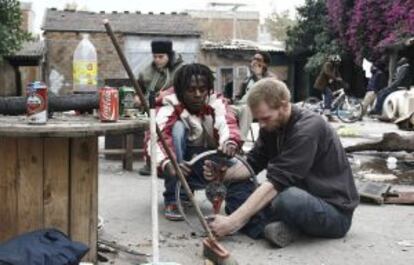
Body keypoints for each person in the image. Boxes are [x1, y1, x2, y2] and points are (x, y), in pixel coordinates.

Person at [204, 78, 359, 247]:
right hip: (289, 193)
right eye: (258, 120)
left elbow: (275, 184)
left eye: (265, 118)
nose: (261, 126)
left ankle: (261, 225)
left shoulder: (308, 129)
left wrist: (231, 222)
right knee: (235, 185)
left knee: (287, 199)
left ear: (284, 105)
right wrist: (224, 175)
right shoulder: (271, 126)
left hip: (333, 212)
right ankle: (272, 228)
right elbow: (253, 163)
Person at [146, 63, 263, 230]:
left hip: (209, 158)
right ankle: (176, 196)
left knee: (242, 175)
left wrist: (229, 143)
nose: (198, 94)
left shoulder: (215, 100)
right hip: (180, 163)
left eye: (202, 89)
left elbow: (227, 122)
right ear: (180, 91)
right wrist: (168, 163)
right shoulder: (169, 102)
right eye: (191, 90)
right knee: (177, 129)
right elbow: (157, 137)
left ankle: (220, 193)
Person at [138, 39, 184, 176]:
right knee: (150, 126)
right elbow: (139, 88)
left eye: (161, 57)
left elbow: (184, 89)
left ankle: (167, 162)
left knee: (164, 129)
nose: (157, 60)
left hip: (174, 108)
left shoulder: (181, 70)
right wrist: (137, 97)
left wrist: (168, 93)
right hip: (151, 107)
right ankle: (151, 160)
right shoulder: (147, 71)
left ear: (169, 55)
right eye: (155, 57)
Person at [232, 51, 277, 141]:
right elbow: (239, 96)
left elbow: (268, 94)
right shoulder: (248, 79)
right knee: (225, 108)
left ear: (265, 64)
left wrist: (258, 76)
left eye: (258, 60)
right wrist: (233, 99)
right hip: (241, 106)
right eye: (254, 59)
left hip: (257, 108)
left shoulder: (271, 78)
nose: (255, 62)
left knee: (246, 109)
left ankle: (239, 142)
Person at [314, 55, 343, 121]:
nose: (338, 63)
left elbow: (338, 75)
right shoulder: (328, 64)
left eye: (339, 62)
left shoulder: (334, 67)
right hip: (321, 84)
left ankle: (327, 107)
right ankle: (327, 114)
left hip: (326, 84)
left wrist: (342, 81)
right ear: (334, 61)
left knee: (331, 96)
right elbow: (327, 73)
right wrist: (336, 78)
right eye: (337, 62)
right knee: (329, 94)